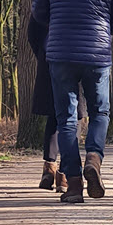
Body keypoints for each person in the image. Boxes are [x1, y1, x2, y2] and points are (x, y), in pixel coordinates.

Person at [31, 0, 113, 203]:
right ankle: (94, 159)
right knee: (100, 112)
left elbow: (38, 12)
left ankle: (74, 185)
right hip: (97, 56)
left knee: (66, 118)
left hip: (60, 54)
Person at [27, 13, 65, 194]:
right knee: (74, 116)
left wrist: (43, 52)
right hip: (81, 57)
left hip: (50, 57)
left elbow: (33, 30)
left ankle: (48, 169)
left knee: (53, 115)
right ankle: (65, 173)